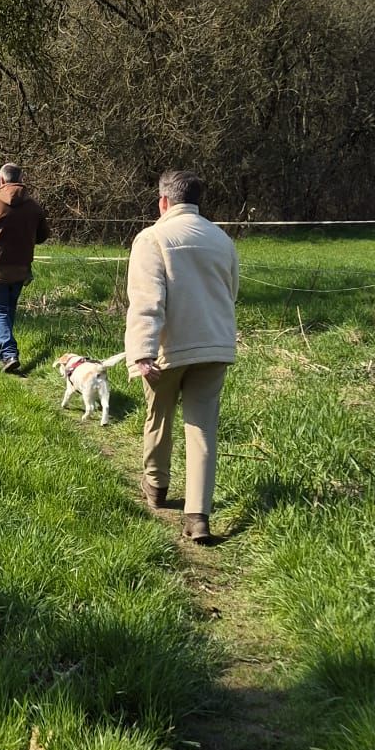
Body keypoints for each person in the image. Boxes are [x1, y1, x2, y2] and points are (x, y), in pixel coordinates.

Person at [124, 168, 239, 544]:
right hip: (215, 345)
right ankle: (198, 516)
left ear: (163, 201)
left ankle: (156, 487)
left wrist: (142, 352)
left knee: (159, 415)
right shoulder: (222, 239)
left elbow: (146, 300)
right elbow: (231, 292)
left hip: (169, 348)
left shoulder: (152, 237)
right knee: (202, 429)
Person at [0, 163, 49, 374]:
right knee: (9, 309)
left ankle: (9, 352)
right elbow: (42, 236)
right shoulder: (34, 207)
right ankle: (0, 352)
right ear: (20, 179)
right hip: (21, 268)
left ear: (1, 180)